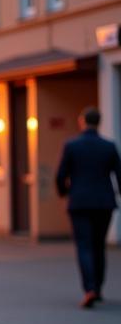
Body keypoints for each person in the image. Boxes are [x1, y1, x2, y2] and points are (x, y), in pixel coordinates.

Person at [56, 106, 121, 308]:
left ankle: (89, 288)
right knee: (99, 245)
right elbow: (119, 175)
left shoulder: (72, 145)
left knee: (84, 246)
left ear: (82, 121)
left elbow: (61, 175)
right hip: (104, 203)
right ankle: (98, 289)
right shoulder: (109, 146)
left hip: (80, 202)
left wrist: (65, 193)